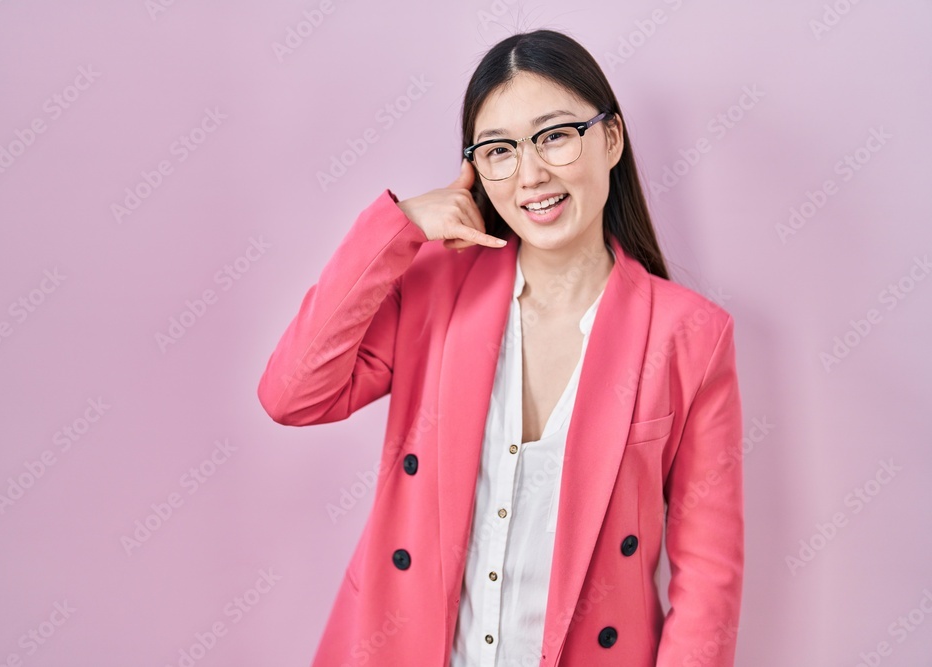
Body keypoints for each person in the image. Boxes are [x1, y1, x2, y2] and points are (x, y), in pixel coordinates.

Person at [259, 28, 744, 667]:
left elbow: (708, 574)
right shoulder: (433, 291)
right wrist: (398, 226)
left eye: (555, 135)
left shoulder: (691, 336)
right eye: (499, 149)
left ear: (611, 138)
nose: (531, 174)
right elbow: (292, 395)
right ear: (478, 168)